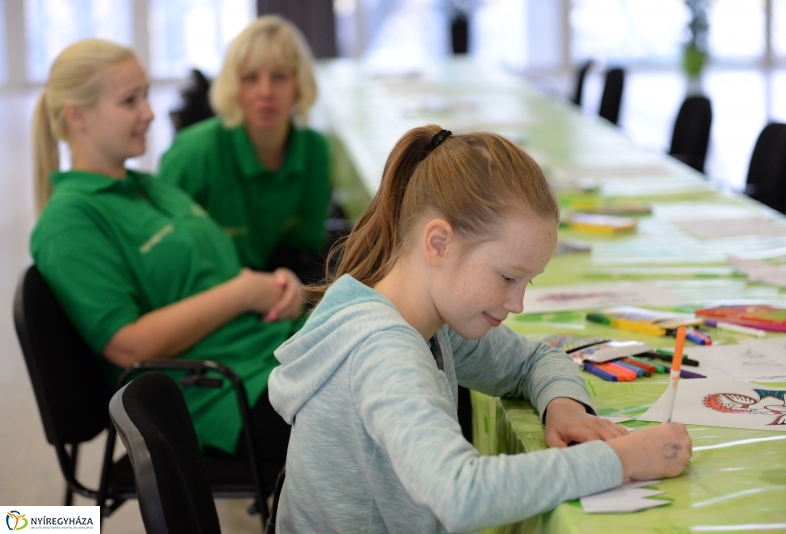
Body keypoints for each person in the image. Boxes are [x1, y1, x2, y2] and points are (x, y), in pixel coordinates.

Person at [268, 125, 693, 533]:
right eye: (507, 277)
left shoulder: (428, 321)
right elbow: (460, 494)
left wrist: (563, 406)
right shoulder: (384, 351)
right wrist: (622, 460)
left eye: (527, 283)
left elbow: (533, 360)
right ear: (439, 243)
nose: (517, 303)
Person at [30, 39, 300, 462]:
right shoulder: (68, 223)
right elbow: (127, 346)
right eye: (130, 101)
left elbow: (205, 276)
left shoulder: (149, 187)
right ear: (76, 116)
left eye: (146, 95)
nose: (149, 113)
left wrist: (278, 289)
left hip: (270, 350)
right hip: (223, 392)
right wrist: (244, 292)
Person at [158, 15, 332, 288]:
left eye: (279, 76)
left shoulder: (315, 150)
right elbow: (165, 259)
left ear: (299, 85)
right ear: (233, 87)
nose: (266, 92)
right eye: (250, 78)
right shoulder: (192, 154)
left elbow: (304, 253)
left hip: (277, 292)